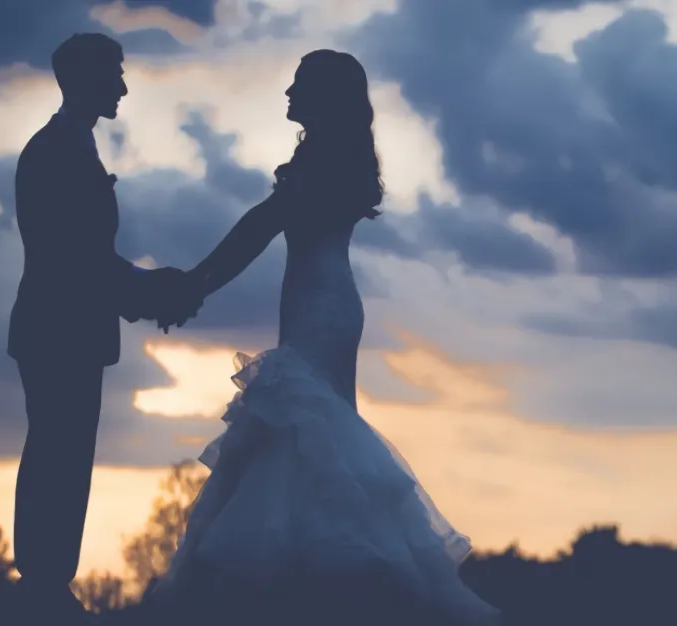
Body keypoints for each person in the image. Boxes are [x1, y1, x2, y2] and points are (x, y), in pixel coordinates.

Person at [148, 49, 501, 626]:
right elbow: (259, 229)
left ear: (322, 98)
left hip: (320, 306)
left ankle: (308, 586)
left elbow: (256, 229)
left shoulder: (317, 168)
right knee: (311, 433)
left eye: (298, 86)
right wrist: (196, 285)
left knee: (304, 428)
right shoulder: (332, 160)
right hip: (330, 301)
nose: (287, 94)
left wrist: (194, 286)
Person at [7, 33, 197, 620]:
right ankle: (43, 586)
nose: (122, 85)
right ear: (84, 78)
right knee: (58, 455)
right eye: (114, 73)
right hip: (57, 332)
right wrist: (154, 289)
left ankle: (48, 584)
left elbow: (85, 257)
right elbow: (75, 259)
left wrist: (148, 287)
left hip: (66, 331)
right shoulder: (54, 151)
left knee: (63, 454)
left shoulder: (69, 146)